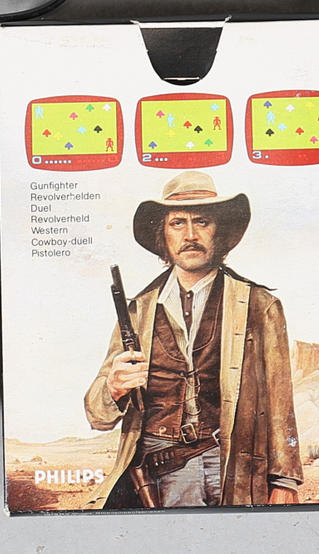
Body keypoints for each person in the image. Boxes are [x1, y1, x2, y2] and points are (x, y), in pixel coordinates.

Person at [84, 171, 303, 507]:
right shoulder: (138, 311)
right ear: (163, 234)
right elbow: (97, 416)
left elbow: (279, 401)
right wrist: (114, 387)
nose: (190, 235)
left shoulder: (260, 306)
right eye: (177, 223)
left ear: (220, 231)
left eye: (202, 222)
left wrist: (284, 481)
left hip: (234, 468)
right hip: (158, 474)